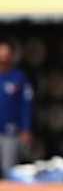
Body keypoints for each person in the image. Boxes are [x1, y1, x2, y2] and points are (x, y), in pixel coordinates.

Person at [0, 39, 33, 178]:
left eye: (6, 52)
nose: (3, 55)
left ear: (12, 55)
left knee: (8, 169)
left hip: (10, 131)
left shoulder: (19, 77)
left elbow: (26, 105)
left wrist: (26, 129)